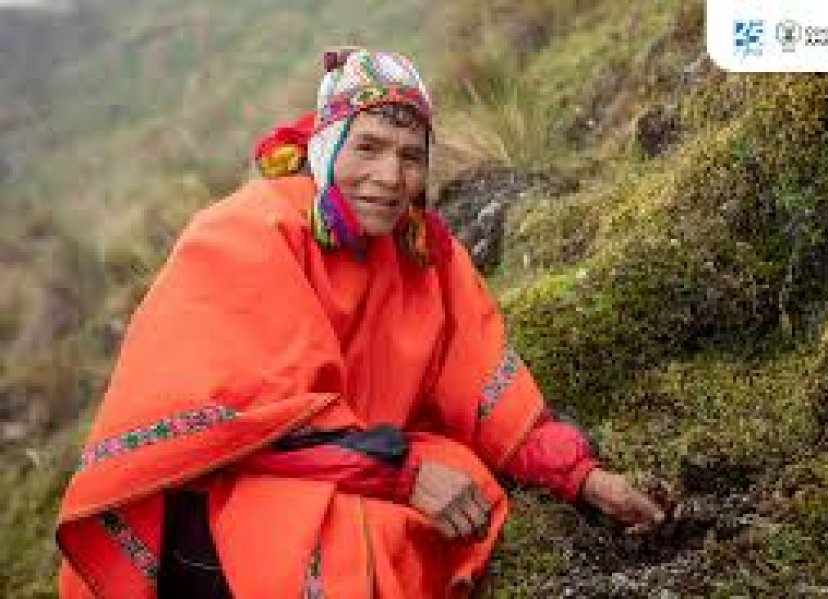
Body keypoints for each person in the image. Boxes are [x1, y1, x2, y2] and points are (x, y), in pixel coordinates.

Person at [56, 48, 666, 599]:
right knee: (348, 540)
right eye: (367, 147)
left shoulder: (426, 254)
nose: (389, 178)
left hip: (351, 464)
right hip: (217, 494)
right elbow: (255, 425)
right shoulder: (247, 233)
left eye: (409, 157)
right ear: (325, 148)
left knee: (465, 484)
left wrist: (583, 479)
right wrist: (407, 476)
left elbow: (485, 393)